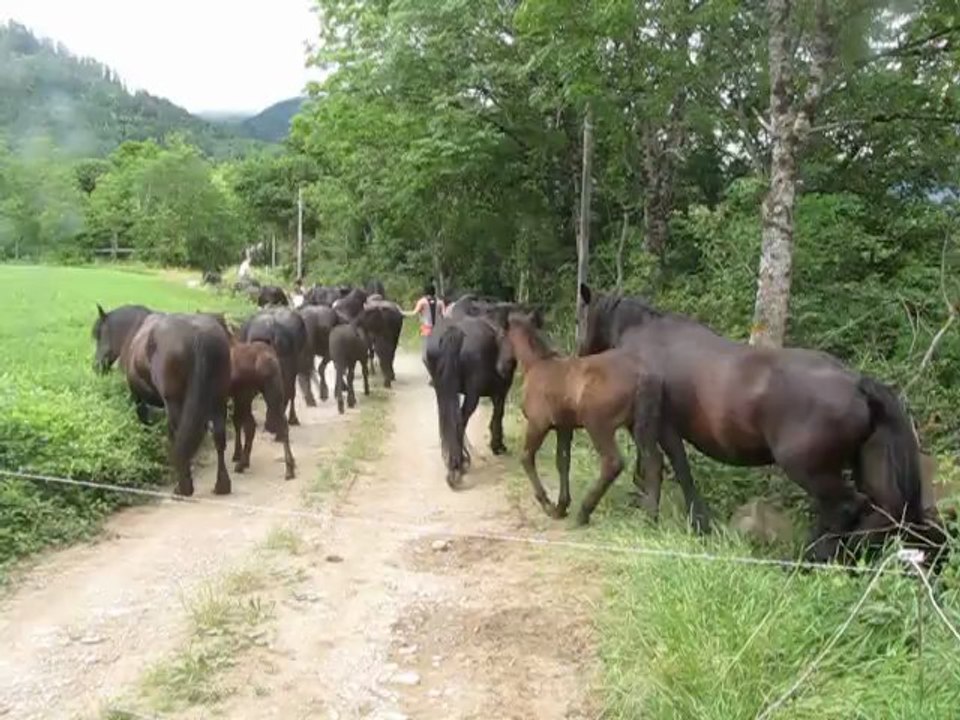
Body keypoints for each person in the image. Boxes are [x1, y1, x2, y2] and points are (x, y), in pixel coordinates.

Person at [403, 282, 446, 381]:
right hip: (439, 330)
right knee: (440, 354)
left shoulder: (422, 302)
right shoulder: (440, 302)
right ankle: (438, 374)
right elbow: (445, 315)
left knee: (425, 357)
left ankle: (432, 375)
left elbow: (414, 313)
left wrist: (401, 313)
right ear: (434, 291)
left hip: (426, 330)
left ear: (425, 292)